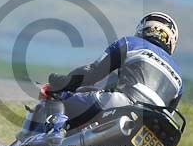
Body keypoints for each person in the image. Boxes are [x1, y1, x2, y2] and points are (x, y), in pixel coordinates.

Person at [47, 12, 183, 128]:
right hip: (156, 125)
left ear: (142, 29)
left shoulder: (131, 43)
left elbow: (93, 73)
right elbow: (169, 112)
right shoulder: (179, 77)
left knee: (60, 100)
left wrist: (63, 83)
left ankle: (51, 141)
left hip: (126, 104)